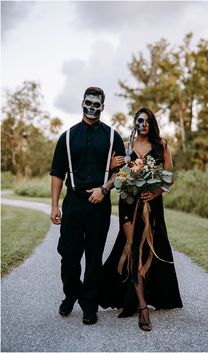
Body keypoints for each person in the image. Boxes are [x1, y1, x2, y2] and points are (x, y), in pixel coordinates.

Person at [99, 107, 183, 331]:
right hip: (128, 204)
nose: (143, 124)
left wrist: (155, 192)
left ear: (152, 123)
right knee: (133, 248)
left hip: (152, 205)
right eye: (139, 120)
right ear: (134, 123)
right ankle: (142, 306)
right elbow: (115, 172)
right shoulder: (126, 147)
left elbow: (169, 177)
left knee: (149, 250)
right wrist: (111, 166)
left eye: (147, 120)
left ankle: (145, 295)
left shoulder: (161, 145)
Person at [50, 87, 125, 325]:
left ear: (103, 107)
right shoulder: (67, 137)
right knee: (68, 254)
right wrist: (54, 206)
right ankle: (72, 293)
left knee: (94, 257)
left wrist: (104, 189)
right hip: (73, 201)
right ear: (82, 103)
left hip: (99, 203)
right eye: (89, 103)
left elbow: (122, 174)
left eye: (97, 104)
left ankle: (89, 305)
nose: (92, 107)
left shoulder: (113, 137)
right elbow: (57, 174)